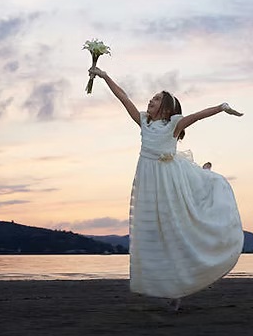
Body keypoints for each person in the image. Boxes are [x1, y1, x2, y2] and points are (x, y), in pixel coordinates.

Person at [88, 66, 244, 310]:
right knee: (154, 233)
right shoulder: (143, 121)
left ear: (168, 108)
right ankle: (170, 288)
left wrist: (221, 107)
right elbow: (123, 97)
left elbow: (197, 116)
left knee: (177, 227)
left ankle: (204, 177)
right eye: (152, 97)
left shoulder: (173, 124)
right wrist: (105, 76)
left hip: (171, 180)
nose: (151, 100)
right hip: (149, 183)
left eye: (157, 98)